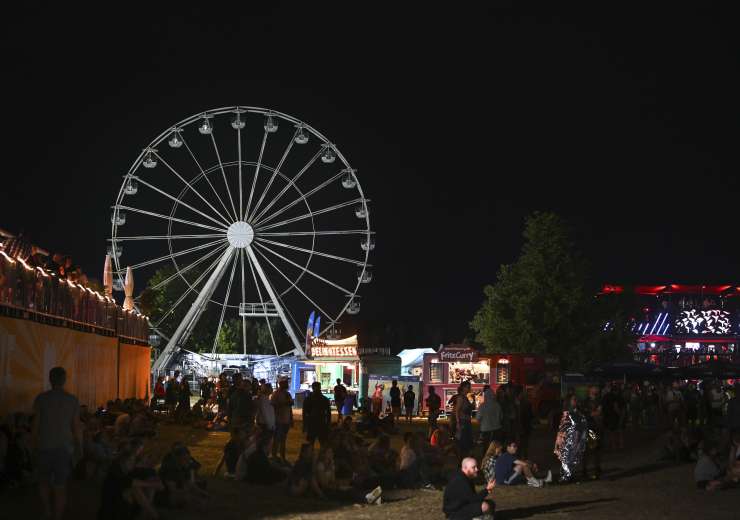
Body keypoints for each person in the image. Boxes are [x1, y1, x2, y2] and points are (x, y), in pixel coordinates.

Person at [32, 367, 82, 520]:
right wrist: (79, 446)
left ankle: (47, 510)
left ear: (50, 379)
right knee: (61, 486)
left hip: (44, 446)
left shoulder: (41, 399)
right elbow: (76, 427)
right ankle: (57, 516)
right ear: (64, 380)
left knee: (43, 481)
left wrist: (33, 445)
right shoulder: (72, 400)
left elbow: (35, 426)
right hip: (64, 448)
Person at [270, 378, 294, 461]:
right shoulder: (276, 394)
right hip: (278, 420)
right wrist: (283, 404)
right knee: (277, 439)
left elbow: (290, 407)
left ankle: (282, 456)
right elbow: (272, 406)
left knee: (283, 439)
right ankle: (274, 455)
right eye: (286, 383)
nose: (287, 385)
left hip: (285, 420)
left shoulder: (287, 394)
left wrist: (291, 419)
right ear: (281, 384)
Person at [303, 382, 331, 446]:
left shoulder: (308, 399)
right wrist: (328, 424)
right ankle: (320, 455)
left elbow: (305, 413)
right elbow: (328, 413)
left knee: (311, 443)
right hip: (321, 423)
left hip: (313, 423)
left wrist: (305, 425)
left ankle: (311, 455)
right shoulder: (324, 399)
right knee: (322, 443)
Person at [455, 381, 474, 458]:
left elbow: (472, 408)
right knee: (463, 441)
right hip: (463, 422)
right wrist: (458, 422)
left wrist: (474, 400)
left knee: (467, 441)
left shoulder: (466, 397)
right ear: (463, 388)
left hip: (467, 421)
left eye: (469, 386)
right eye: (468, 387)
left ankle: (464, 458)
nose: (469, 388)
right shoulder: (461, 398)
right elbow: (457, 410)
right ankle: (461, 459)